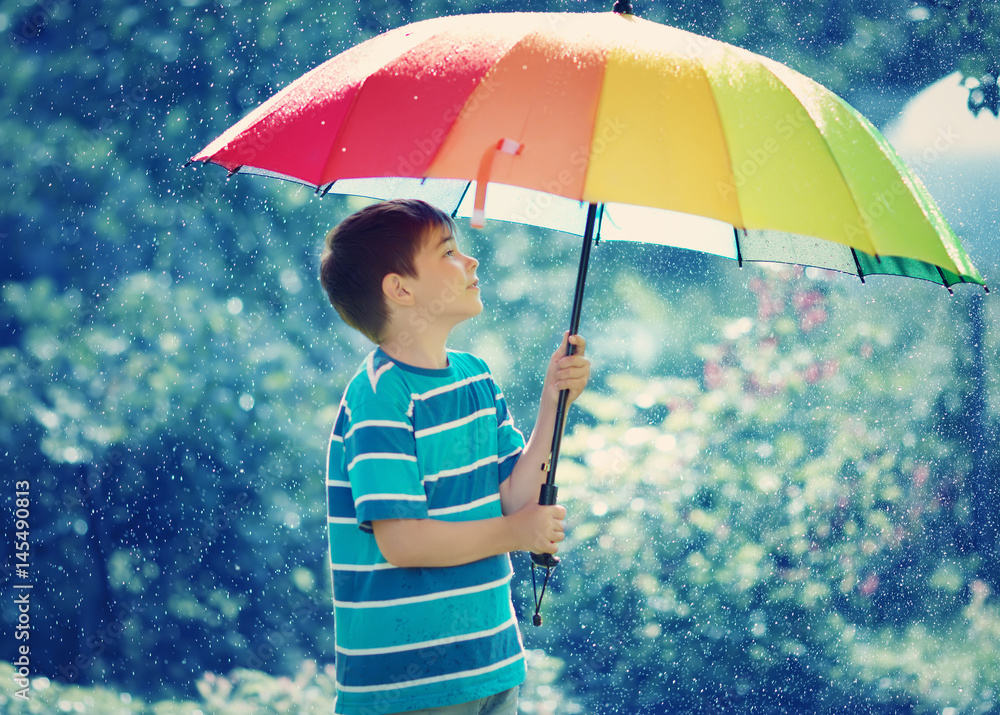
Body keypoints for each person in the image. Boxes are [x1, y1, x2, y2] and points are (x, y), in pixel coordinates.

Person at [319, 199, 590, 715]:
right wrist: (519, 534)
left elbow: (514, 496)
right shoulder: (381, 396)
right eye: (449, 251)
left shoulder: (475, 377)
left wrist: (555, 404)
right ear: (400, 289)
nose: (472, 262)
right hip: (407, 687)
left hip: (491, 665)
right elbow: (403, 541)